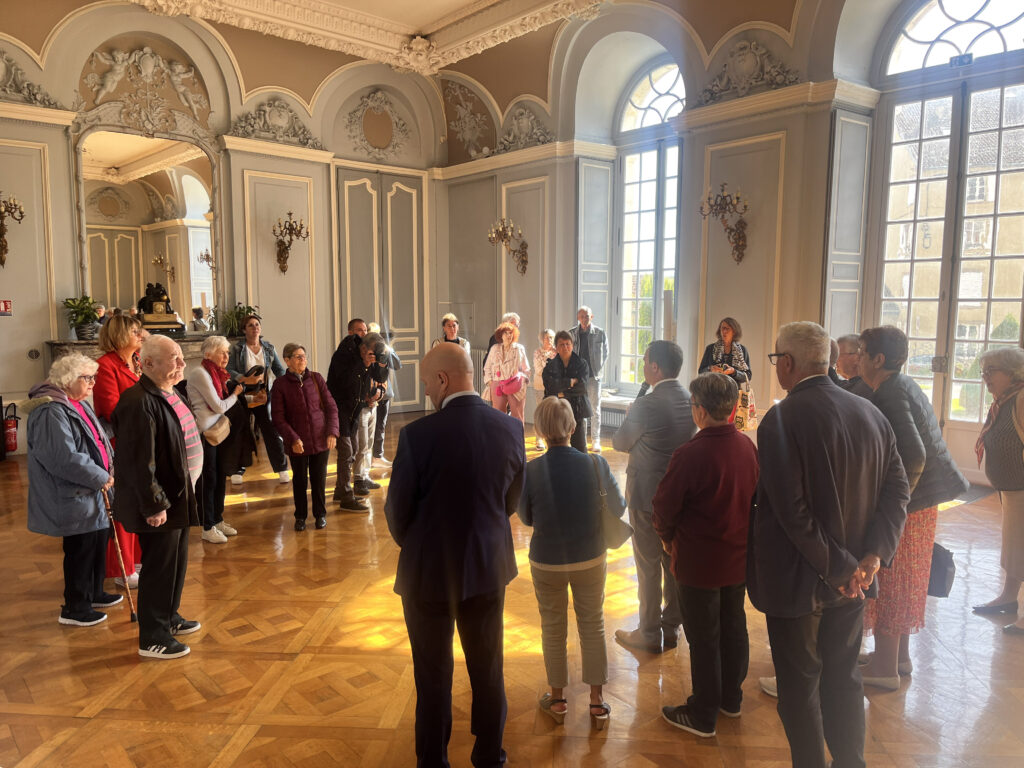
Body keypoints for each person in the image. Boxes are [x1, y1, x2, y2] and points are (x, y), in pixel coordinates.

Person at [749, 321, 909, 768]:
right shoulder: (870, 412)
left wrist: (841, 567)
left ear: (786, 363)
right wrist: (871, 558)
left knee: (800, 689)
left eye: (775, 359)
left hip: (801, 580)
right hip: (855, 580)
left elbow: (792, 513)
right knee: (843, 679)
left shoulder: (782, 418)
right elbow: (898, 490)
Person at [384, 343, 526, 767]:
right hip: (487, 567)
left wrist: (423, 543)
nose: (427, 391)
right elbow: (510, 501)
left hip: (427, 574)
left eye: (427, 383)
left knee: (432, 677)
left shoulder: (417, 436)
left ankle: (433, 761)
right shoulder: (511, 428)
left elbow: (397, 513)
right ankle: (489, 756)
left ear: (443, 379)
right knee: (488, 669)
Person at [857, 326, 968, 687]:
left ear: (878, 359)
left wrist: (896, 502)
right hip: (920, 503)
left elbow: (914, 455)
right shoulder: (899, 385)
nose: (857, 359)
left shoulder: (890, 392)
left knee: (892, 580)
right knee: (905, 580)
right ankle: (898, 659)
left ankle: (884, 669)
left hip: (910, 504)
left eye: (862, 352)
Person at [653, 372, 759, 737]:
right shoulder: (747, 447)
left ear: (699, 411)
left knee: (703, 637)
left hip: (699, 563)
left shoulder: (690, 454)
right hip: (738, 558)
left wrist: (667, 539)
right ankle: (731, 698)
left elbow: (663, 508)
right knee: (733, 626)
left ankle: (703, 714)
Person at [519, 396, 625, 730]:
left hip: (547, 560)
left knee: (553, 627)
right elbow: (619, 507)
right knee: (593, 624)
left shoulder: (531, 470)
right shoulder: (596, 464)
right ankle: (596, 703)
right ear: (573, 427)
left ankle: (558, 700)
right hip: (590, 556)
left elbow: (526, 517)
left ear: (540, 430)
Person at [112, 335, 203, 659]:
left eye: (181, 357)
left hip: (178, 496)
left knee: (175, 563)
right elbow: (139, 462)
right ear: (148, 363)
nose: (182, 364)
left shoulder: (170, 391)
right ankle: (153, 636)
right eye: (174, 359)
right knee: (159, 568)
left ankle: (169, 617)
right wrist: (154, 505)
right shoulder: (137, 401)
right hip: (161, 501)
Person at [611, 340, 697, 654]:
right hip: (679, 496)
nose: (644, 366)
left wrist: (632, 418)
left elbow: (619, 442)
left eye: (646, 361)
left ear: (656, 367)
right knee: (672, 562)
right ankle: (671, 627)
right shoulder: (690, 399)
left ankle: (648, 632)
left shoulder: (646, 405)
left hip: (646, 495)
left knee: (647, 564)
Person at [26, 353, 120, 627]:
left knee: (97, 541)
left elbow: (97, 438)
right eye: (87, 378)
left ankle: (94, 593)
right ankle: (75, 608)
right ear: (67, 380)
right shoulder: (50, 410)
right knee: (81, 548)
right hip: (75, 493)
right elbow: (63, 458)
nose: (93, 383)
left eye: (93, 377)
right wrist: (100, 476)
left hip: (93, 490)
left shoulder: (78, 403)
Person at [972, 347, 1024, 634]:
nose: (985, 377)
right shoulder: (1004, 400)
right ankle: (1008, 597)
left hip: (1022, 488)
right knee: (1014, 547)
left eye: (992, 371)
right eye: (984, 372)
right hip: (1012, 489)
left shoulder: (1022, 398)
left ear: (1012, 372)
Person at [93, 313, 146, 589]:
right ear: (120, 335)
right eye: (135, 331)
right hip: (120, 444)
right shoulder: (105, 366)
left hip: (140, 440)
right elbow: (111, 409)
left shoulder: (136, 361)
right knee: (122, 505)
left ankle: (136, 560)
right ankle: (121, 568)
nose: (140, 335)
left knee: (138, 503)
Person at [271, 343, 339, 531]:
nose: (303, 359)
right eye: (298, 356)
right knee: (300, 480)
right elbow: (278, 417)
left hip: (320, 439)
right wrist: (293, 438)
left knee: (319, 479)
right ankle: (300, 516)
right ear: (287, 360)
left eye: (304, 356)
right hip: (297, 443)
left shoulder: (317, 378)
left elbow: (331, 407)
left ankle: (320, 515)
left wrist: (332, 432)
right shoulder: (280, 385)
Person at [187, 335, 245, 544]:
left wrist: (243, 396)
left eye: (227, 352)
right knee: (209, 479)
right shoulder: (200, 373)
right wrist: (236, 394)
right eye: (222, 352)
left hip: (218, 432)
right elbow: (219, 406)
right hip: (205, 434)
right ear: (209, 353)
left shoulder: (217, 374)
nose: (226, 357)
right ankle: (207, 526)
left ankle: (217, 519)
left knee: (220, 476)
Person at [227, 314, 289, 485]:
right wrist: (244, 379)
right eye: (250, 325)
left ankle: (281, 467)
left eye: (257, 325)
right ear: (244, 330)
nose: (255, 328)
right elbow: (229, 370)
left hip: (262, 394)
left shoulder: (268, 348)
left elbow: (279, 370)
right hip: (242, 394)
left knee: (270, 429)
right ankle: (238, 469)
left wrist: (284, 387)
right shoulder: (237, 349)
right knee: (240, 429)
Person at [326, 318, 373, 511]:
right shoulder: (343, 354)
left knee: (352, 449)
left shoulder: (361, 353)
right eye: (359, 330)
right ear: (350, 332)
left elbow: (365, 382)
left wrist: (369, 395)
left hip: (353, 409)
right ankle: (346, 497)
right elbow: (346, 381)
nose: (364, 334)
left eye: (365, 330)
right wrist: (364, 363)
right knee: (346, 451)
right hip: (339, 409)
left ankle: (340, 491)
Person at [352, 332, 389, 495]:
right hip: (361, 407)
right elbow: (355, 383)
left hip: (373, 405)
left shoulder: (376, 359)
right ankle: (358, 478)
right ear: (364, 348)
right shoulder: (355, 361)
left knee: (369, 443)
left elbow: (382, 379)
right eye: (373, 350)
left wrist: (379, 393)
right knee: (361, 445)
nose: (375, 353)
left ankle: (365, 475)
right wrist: (366, 363)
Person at [542, 331, 591, 453]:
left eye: (567, 344)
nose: (565, 347)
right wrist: (570, 382)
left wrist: (561, 393)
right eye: (561, 344)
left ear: (572, 345)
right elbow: (549, 386)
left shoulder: (582, 364)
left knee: (580, 447)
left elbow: (582, 388)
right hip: (556, 410)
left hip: (577, 409)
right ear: (556, 348)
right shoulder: (550, 365)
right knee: (555, 447)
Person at [568, 306, 608, 451]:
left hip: (593, 376)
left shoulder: (600, 333)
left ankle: (596, 440)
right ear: (578, 318)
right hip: (578, 377)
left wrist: (597, 368)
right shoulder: (572, 333)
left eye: (587, 316)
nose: (584, 319)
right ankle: (582, 439)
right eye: (582, 316)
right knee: (580, 409)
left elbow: (605, 353)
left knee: (595, 409)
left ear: (592, 317)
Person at [483, 320, 530, 425]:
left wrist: (522, 382)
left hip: (515, 385)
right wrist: (491, 382)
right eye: (506, 333)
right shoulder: (494, 348)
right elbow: (487, 367)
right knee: (498, 416)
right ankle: (499, 435)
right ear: (501, 335)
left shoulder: (519, 349)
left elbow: (526, 369)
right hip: (497, 385)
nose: (508, 335)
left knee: (517, 416)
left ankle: (517, 436)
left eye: (510, 333)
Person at [369, 323, 402, 467]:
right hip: (367, 394)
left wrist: (387, 349)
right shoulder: (363, 350)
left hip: (384, 393)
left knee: (380, 426)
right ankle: (363, 458)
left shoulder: (384, 348)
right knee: (364, 428)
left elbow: (397, 365)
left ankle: (377, 456)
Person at [698, 317, 753, 387]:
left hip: (733, 391)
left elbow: (748, 376)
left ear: (734, 331)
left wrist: (734, 372)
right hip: (713, 390)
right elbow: (701, 372)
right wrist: (710, 369)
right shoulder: (710, 348)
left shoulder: (742, 350)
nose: (724, 331)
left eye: (727, 329)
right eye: (722, 328)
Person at [532, 328, 556, 450]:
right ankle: (539, 439)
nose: (549, 340)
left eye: (551, 337)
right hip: (540, 386)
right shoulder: (537, 352)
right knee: (540, 412)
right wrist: (549, 369)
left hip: (553, 387)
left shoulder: (556, 352)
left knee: (552, 413)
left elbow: (557, 371)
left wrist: (547, 368)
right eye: (547, 337)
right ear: (542, 339)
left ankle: (552, 439)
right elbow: (539, 370)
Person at [836, 333, 873, 397]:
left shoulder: (863, 389)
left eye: (838, 355)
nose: (835, 360)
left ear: (856, 357)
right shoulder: (851, 384)